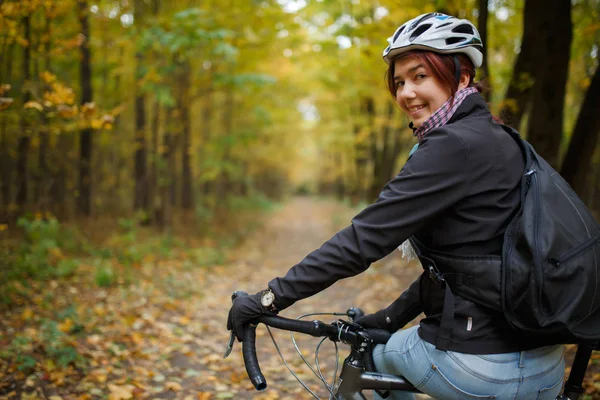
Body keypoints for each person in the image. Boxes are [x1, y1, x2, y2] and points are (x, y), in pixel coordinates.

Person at [227, 12, 565, 400]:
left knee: (371, 357)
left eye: (420, 76)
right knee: (387, 341)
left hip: (485, 365)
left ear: (463, 76)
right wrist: (388, 318)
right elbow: (469, 266)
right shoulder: (501, 140)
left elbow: (363, 240)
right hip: (546, 364)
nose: (405, 92)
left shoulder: (451, 147)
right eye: (400, 81)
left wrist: (268, 298)